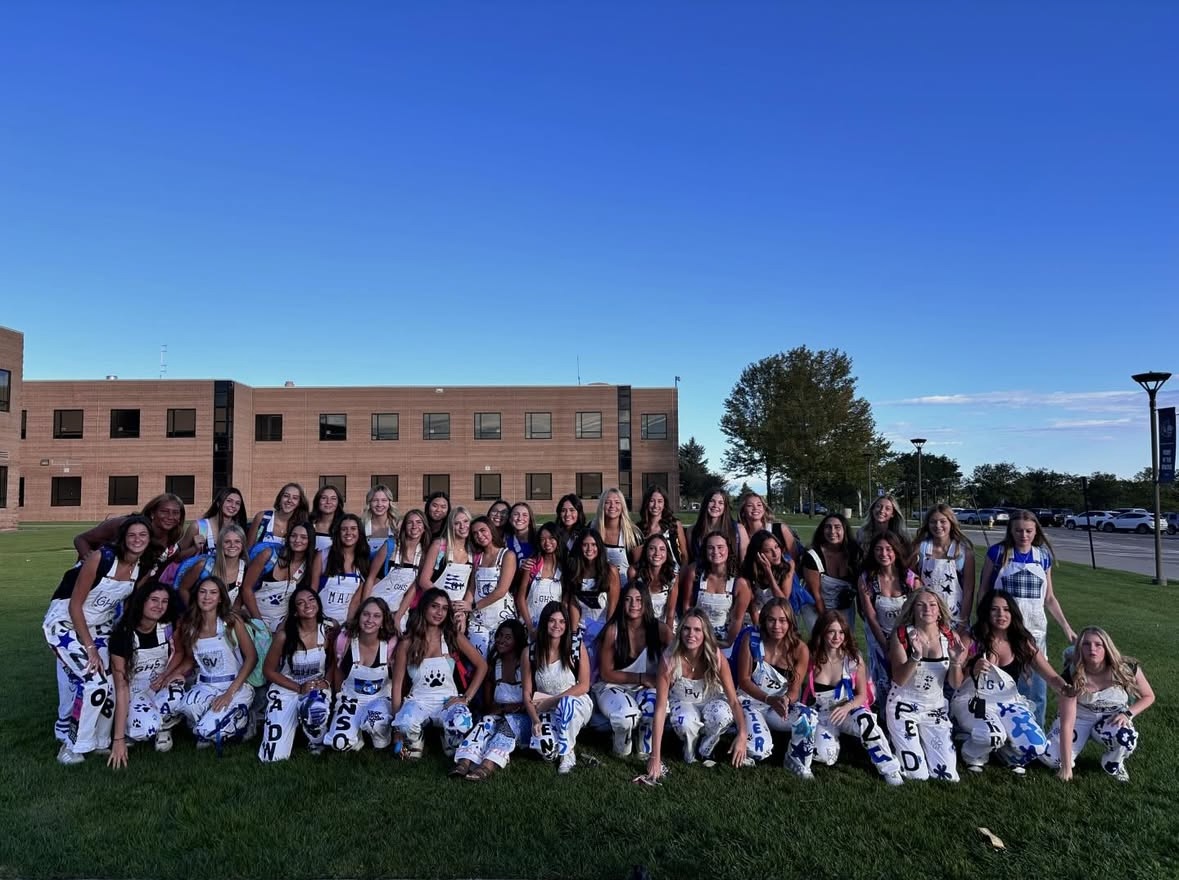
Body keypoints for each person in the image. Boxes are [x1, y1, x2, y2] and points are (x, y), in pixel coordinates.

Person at [45, 515, 155, 764]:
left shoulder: (141, 568)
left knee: (113, 681)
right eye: (132, 535)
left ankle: (100, 740)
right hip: (65, 623)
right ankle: (72, 746)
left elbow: (129, 606)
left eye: (143, 535)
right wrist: (90, 647)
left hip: (101, 626)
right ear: (123, 538)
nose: (137, 540)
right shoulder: (102, 558)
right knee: (93, 682)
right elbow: (75, 605)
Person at [952, 590, 1070, 775]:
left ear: (1013, 613)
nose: (1001, 615)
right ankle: (972, 753)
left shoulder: (1022, 641)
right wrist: (969, 671)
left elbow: (1051, 677)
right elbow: (955, 683)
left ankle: (1005, 752)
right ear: (986, 612)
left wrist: (1067, 688)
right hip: (974, 700)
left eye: (1006, 609)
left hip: (1007, 702)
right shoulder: (972, 638)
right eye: (995, 610)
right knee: (992, 735)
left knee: (1036, 746)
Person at [978, 510, 1076, 726]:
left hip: (1035, 631)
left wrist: (1066, 627)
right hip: (1004, 632)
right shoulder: (998, 553)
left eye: (1029, 531)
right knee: (1002, 685)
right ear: (1011, 531)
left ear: (1036, 531)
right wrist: (981, 620)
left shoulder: (1043, 557)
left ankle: (1034, 733)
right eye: (1018, 530)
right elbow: (984, 590)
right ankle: (999, 729)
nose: (1024, 535)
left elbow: (1049, 597)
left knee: (1036, 691)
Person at [796, 611, 904, 785]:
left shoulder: (854, 659)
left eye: (841, 632)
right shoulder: (810, 658)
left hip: (849, 710)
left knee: (866, 720)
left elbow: (862, 695)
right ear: (822, 632)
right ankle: (838, 743)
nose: (837, 637)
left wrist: (847, 707)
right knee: (824, 756)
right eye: (831, 631)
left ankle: (890, 769)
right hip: (823, 714)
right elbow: (801, 692)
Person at [1043, 627, 1155, 782]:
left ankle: (1114, 763)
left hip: (1113, 716)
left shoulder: (1126, 668)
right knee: (1051, 759)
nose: (1092, 649)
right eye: (1086, 644)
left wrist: (1127, 714)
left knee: (1125, 737)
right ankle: (1066, 759)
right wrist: (1066, 768)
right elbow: (1067, 723)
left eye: (1098, 644)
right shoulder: (1071, 675)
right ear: (1080, 649)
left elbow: (1149, 696)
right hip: (1081, 717)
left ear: (1107, 647)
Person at [646, 608, 747, 777]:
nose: (690, 634)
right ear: (680, 631)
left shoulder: (716, 657)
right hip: (683, 702)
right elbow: (661, 707)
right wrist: (655, 756)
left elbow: (734, 701)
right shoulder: (669, 659)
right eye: (686, 628)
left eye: (697, 630)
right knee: (685, 721)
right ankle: (689, 749)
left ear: (705, 633)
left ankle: (707, 745)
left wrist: (743, 734)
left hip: (711, 700)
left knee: (722, 714)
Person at [390, 588, 486, 759]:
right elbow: (396, 686)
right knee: (405, 726)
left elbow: (482, 666)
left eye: (444, 608)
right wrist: (396, 727)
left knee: (460, 725)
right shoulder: (407, 642)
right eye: (434, 606)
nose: (439, 612)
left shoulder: (452, 636)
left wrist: (466, 698)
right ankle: (415, 740)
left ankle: (448, 737)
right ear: (424, 608)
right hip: (419, 702)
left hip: (447, 701)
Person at [885, 589, 967, 782]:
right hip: (903, 705)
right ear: (912, 610)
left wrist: (956, 662)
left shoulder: (949, 636)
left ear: (939, 610)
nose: (927, 609)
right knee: (917, 775)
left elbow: (955, 684)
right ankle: (898, 741)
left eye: (932, 604)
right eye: (920, 605)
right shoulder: (903, 635)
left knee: (947, 776)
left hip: (935, 707)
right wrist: (915, 656)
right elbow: (899, 679)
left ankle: (915, 739)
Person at [107, 581, 188, 767]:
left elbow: (181, 653)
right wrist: (118, 739)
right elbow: (121, 687)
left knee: (178, 688)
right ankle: (130, 729)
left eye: (164, 601)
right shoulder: (123, 635)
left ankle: (165, 727)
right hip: (133, 692)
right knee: (145, 729)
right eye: (153, 600)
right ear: (142, 601)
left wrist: (167, 675)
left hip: (158, 686)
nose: (159, 606)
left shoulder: (168, 626)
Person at [175, 576, 257, 750]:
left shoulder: (230, 622)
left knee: (205, 733)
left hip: (235, 685)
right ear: (196, 596)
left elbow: (251, 657)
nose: (207, 597)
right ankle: (212, 721)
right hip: (206, 685)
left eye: (213, 593)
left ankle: (242, 722)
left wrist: (229, 693)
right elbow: (191, 659)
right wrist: (172, 674)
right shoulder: (190, 626)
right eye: (202, 592)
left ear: (220, 598)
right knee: (186, 707)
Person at [735, 598, 815, 774]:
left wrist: (786, 700)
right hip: (750, 702)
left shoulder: (800, 649)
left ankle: (797, 759)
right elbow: (744, 680)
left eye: (782, 620)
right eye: (771, 620)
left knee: (809, 715)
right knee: (759, 751)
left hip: (776, 706)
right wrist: (768, 698)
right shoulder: (751, 638)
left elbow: (794, 690)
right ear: (763, 620)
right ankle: (740, 732)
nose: (776, 625)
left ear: (790, 622)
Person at [594, 585, 671, 757]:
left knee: (657, 704)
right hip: (612, 686)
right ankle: (620, 746)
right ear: (622, 603)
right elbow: (606, 673)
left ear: (646, 603)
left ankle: (645, 746)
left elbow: (677, 656)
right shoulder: (613, 630)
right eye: (628, 599)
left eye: (638, 600)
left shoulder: (660, 629)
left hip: (645, 687)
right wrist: (642, 677)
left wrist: (664, 679)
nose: (633, 604)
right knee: (626, 716)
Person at [258, 586, 333, 761]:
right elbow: (268, 670)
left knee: (316, 707)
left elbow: (334, 665)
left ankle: (315, 738)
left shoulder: (327, 631)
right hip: (288, 686)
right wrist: (298, 687)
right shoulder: (284, 636)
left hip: (315, 687)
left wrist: (327, 682)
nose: (307, 605)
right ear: (295, 612)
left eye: (311, 600)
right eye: (300, 603)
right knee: (273, 757)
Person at [452, 619, 530, 781]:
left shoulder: (525, 665)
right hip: (498, 715)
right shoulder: (495, 665)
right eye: (499, 635)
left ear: (517, 640)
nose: (501, 640)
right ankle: (465, 761)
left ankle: (487, 765)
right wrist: (504, 709)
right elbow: (489, 707)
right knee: (485, 722)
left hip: (523, 720)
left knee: (506, 728)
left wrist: (511, 709)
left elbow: (531, 700)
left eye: (508, 637)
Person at [523, 601, 594, 774]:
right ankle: (558, 745)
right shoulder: (530, 652)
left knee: (567, 703)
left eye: (562, 622)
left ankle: (567, 753)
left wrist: (553, 700)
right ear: (545, 622)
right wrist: (535, 719)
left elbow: (584, 685)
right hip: (545, 707)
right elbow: (526, 692)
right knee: (545, 749)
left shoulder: (576, 647)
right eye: (552, 621)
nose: (557, 626)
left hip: (575, 702)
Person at [326, 597, 397, 753]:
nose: (370, 620)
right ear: (359, 617)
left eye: (377, 616)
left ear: (384, 621)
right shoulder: (344, 639)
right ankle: (354, 731)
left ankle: (381, 737)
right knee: (339, 743)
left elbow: (398, 680)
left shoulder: (391, 644)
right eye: (366, 614)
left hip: (380, 699)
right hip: (351, 698)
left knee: (375, 723)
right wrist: (339, 699)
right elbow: (338, 670)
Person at [858, 532, 921, 705]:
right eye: (878, 549)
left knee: (906, 679)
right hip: (880, 638)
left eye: (888, 549)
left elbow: (919, 613)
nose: (883, 554)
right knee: (883, 681)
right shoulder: (867, 579)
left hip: (907, 639)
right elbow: (870, 615)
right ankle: (885, 715)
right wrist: (886, 646)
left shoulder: (910, 579)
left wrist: (902, 645)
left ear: (896, 551)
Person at [678, 531, 752, 654]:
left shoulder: (740, 583)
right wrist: (694, 634)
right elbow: (687, 607)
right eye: (710, 548)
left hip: (725, 638)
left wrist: (727, 643)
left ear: (729, 550)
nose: (716, 552)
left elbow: (737, 620)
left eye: (720, 547)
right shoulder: (695, 573)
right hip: (695, 633)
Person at [72, 494, 186, 574]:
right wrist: (90, 561)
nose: (170, 517)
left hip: (124, 588)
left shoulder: (173, 539)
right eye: (164, 511)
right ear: (152, 513)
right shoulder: (125, 524)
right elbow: (81, 539)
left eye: (175, 513)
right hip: (96, 581)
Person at [241, 522, 312, 634]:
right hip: (252, 615)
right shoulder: (268, 555)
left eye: (304, 537)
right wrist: (259, 623)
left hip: (281, 620)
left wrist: (284, 626)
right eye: (293, 536)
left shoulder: (309, 565)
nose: (297, 540)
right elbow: (246, 589)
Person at [364, 508, 427, 633]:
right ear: (404, 526)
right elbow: (370, 578)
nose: (414, 526)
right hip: (375, 604)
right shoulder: (391, 546)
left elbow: (412, 590)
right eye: (410, 522)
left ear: (425, 527)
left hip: (397, 609)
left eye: (419, 522)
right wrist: (364, 607)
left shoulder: (424, 554)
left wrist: (398, 617)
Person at [914, 505, 975, 630]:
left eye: (943, 521)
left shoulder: (963, 552)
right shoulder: (921, 548)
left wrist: (963, 623)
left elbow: (969, 590)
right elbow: (910, 577)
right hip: (926, 614)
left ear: (951, 523)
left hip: (954, 615)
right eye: (933, 522)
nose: (938, 526)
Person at [466, 516, 519, 658]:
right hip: (478, 620)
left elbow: (501, 590)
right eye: (475, 533)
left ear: (491, 530)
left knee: (500, 661)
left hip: (501, 619)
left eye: (483, 530)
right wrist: (463, 610)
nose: (480, 535)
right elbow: (472, 588)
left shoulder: (507, 555)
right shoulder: (477, 557)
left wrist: (473, 606)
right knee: (478, 661)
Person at [800, 513, 862, 634]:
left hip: (843, 606)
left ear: (844, 530)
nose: (832, 531)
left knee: (845, 642)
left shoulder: (854, 553)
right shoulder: (813, 556)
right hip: (816, 606)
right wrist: (827, 621)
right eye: (828, 527)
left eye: (837, 527)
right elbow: (816, 595)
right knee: (823, 641)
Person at [562, 527, 621, 651]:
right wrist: (573, 633)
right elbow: (574, 604)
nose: (590, 549)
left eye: (594, 545)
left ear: (599, 547)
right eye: (585, 545)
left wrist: (607, 633)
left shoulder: (610, 571)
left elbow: (613, 606)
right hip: (582, 628)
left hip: (604, 627)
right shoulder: (574, 570)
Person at [310, 513, 371, 628]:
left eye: (353, 529)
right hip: (319, 620)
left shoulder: (363, 560)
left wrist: (348, 627)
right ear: (338, 532)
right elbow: (312, 592)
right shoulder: (323, 555)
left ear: (360, 533)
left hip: (344, 623)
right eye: (344, 529)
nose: (349, 533)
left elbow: (355, 602)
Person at [176, 524, 248, 607]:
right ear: (220, 544)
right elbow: (183, 589)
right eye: (227, 542)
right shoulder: (203, 566)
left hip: (226, 616)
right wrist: (194, 612)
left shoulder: (245, 568)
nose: (232, 545)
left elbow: (239, 598)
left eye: (237, 541)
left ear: (243, 545)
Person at [419, 507, 474, 612]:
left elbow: (472, 587)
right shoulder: (439, 546)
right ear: (450, 526)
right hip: (434, 607)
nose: (462, 526)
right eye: (457, 523)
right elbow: (424, 580)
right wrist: (445, 602)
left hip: (457, 610)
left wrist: (463, 611)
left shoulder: (473, 551)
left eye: (466, 521)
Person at [516, 522, 564, 638]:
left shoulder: (564, 569)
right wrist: (530, 627)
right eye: (543, 539)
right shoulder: (532, 564)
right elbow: (521, 598)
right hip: (530, 625)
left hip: (553, 629)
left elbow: (565, 603)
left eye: (551, 538)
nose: (547, 543)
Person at [740, 530, 794, 625]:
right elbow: (753, 608)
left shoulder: (788, 565)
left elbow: (783, 601)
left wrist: (769, 573)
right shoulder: (748, 570)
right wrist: (759, 629)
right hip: (754, 618)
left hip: (778, 613)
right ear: (758, 555)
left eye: (776, 547)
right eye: (768, 551)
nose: (775, 554)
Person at [590, 488, 642, 587]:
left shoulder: (633, 534)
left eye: (617, 502)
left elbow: (638, 568)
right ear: (602, 506)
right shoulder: (592, 528)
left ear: (622, 506)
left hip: (625, 589)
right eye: (608, 502)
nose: (612, 506)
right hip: (597, 588)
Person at [627, 533, 679, 629]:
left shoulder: (672, 577)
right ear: (645, 551)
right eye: (652, 548)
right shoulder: (634, 573)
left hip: (665, 624)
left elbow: (670, 614)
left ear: (667, 553)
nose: (657, 553)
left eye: (662, 549)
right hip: (641, 625)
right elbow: (631, 605)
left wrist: (666, 637)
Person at [687, 490, 748, 567]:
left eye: (720, 503)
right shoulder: (692, 531)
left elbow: (745, 561)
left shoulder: (739, 529)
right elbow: (693, 560)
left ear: (725, 507)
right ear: (705, 504)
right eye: (712, 501)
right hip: (702, 576)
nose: (716, 505)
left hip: (732, 575)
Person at [636, 485, 688, 573]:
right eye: (652, 501)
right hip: (649, 576)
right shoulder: (639, 528)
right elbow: (637, 559)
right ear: (646, 502)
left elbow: (684, 555)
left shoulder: (674, 524)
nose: (656, 505)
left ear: (664, 504)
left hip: (674, 574)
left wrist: (681, 576)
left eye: (660, 501)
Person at [247, 483, 310, 552]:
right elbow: (248, 549)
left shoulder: (299, 525)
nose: (289, 500)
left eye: (295, 498)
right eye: (286, 496)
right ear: (280, 498)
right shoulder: (262, 517)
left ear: (299, 503)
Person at [185, 488, 248, 555]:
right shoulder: (199, 526)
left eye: (237, 503)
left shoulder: (239, 528)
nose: (233, 505)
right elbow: (178, 557)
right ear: (218, 503)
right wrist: (194, 549)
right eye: (229, 501)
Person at [362, 484, 399, 558]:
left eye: (384, 500)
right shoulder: (361, 527)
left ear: (389, 503)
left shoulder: (398, 526)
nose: (379, 504)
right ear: (369, 503)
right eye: (375, 500)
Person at [309, 484, 344, 553]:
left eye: (333, 498)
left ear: (338, 503)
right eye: (324, 498)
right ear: (318, 501)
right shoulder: (308, 523)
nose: (328, 502)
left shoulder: (343, 526)